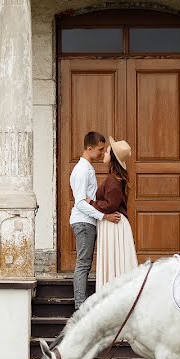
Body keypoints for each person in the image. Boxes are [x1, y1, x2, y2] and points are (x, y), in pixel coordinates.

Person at [70, 131, 121, 310]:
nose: (101, 153)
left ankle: (81, 304)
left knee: (85, 263)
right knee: (83, 264)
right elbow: (80, 203)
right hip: (84, 222)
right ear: (89, 148)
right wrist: (104, 216)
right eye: (100, 150)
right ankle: (79, 307)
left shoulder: (87, 168)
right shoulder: (82, 170)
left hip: (87, 221)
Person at [88, 137, 138, 290]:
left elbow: (111, 205)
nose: (104, 154)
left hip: (113, 224)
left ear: (113, 158)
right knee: (117, 261)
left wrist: (91, 203)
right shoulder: (118, 177)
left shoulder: (112, 179)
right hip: (115, 225)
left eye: (108, 152)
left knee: (113, 260)